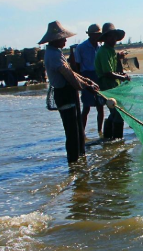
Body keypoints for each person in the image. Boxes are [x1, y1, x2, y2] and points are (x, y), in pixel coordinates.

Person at [41, 21, 99, 163]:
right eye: (63, 38)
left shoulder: (56, 52)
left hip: (69, 94)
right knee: (72, 132)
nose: (65, 40)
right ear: (56, 39)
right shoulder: (53, 55)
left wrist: (86, 80)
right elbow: (69, 76)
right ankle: (74, 163)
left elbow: (71, 72)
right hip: (64, 95)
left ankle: (80, 160)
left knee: (78, 129)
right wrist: (86, 86)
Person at [94, 23, 131, 139]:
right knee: (118, 113)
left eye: (115, 36)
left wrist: (119, 60)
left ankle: (108, 138)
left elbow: (117, 70)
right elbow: (107, 73)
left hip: (115, 87)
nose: (113, 39)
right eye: (110, 37)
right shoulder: (103, 51)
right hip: (108, 87)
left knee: (115, 113)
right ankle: (116, 140)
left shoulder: (111, 51)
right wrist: (123, 77)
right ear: (105, 38)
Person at [74, 24, 105, 138]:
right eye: (96, 34)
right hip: (86, 76)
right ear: (90, 34)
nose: (97, 36)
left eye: (99, 34)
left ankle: (99, 131)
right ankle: (82, 132)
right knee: (86, 106)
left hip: (98, 76)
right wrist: (82, 81)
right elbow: (77, 65)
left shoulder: (100, 47)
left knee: (100, 106)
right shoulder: (81, 47)